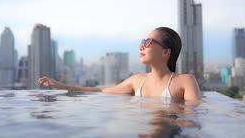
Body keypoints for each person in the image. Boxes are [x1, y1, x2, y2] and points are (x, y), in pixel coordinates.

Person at [38, 27, 201, 101]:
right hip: (145, 134)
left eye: (149, 42)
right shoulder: (137, 81)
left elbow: (192, 117)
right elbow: (102, 91)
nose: (142, 46)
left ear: (166, 51)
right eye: (142, 41)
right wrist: (60, 85)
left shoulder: (185, 81)